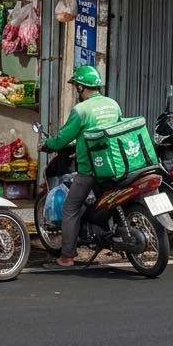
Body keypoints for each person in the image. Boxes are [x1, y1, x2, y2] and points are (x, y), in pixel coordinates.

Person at [42, 65, 122, 269]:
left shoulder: (81, 110)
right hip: (116, 164)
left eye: (76, 85)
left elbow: (63, 138)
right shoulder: (113, 104)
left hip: (91, 168)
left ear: (80, 87)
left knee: (71, 207)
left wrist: (48, 144)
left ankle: (67, 256)